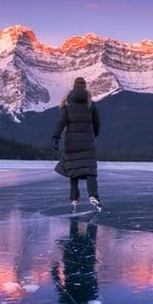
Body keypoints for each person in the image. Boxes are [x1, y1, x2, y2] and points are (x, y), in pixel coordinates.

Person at [53, 77, 103, 213]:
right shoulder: (90, 103)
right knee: (90, 171)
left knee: (73, 171)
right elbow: (97, 122)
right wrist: (95, 135)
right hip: (88, 142)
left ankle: (74, 198)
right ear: (85, 87)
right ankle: (93, 195)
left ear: (74, 87)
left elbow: (61, 123)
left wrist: (55, 137)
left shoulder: (67, 104)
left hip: (71, 143)